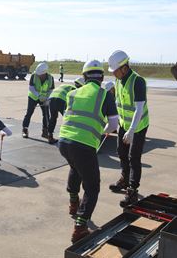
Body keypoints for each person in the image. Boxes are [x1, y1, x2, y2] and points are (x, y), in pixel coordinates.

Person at [58, 60, 119, 243]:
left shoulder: (73, 93)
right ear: (101, 77)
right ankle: (80, 227)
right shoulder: (105, 95)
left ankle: (73, 203)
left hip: (64, 142)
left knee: (75, 168)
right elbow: (114, 124)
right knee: (92, 187)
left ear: (84, 77)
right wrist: (101, 131)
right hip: (84, 145)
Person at [107, 50, 150, 208]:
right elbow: (120, 104)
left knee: (134, 157)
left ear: (124, 68)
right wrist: (117, 124)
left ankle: (132, 190)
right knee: (121, 152)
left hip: (138, 126)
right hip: (124, 124)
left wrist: (132, 130)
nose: (113, 74)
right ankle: (124, 179)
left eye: (115, 71)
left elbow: (139, 108)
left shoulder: (137, 81)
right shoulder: (119, 81)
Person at [46, 77, 85, 144]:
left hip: (51, 98)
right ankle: (66, 138)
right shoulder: (75, 90)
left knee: (53, 117)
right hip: (61, 100)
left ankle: (50, 136)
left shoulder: (65, 85)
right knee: (67, 119)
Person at [22, 62, 54, 139]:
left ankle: (45, 131)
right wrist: (39, 96)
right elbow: (31, 88)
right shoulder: (34, 76)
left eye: (40, 74)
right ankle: (25, 129)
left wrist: (47, 99)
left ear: (45, 72)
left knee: (46, 115)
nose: (39, 75)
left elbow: (51, 89)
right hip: (33, 97)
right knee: (29, 113)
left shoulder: (50, 78)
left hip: (44, 99)